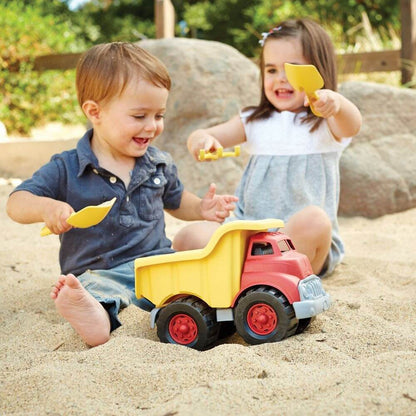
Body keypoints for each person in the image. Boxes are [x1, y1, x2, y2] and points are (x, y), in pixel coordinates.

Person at [6, 42, 237, 347]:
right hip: (101, 271)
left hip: (156, 263)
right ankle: (93, 317)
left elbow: (176, 200)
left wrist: (201, 208)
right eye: (140, 116)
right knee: (97, 294)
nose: (152, 126)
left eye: (159, 115)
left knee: (193, 274)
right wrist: (46, 208)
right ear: (95, 112)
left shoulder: (158, 162)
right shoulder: (67, 167)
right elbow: (16, 202)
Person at [173, 18, 362, 278]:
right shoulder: (254, 121)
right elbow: (202, 134)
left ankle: (265, 272)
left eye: (292, 69)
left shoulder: (326, 125)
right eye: (271, 70)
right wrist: (202, 141)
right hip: (248, 233)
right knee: (187, 238)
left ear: (318, 71)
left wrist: (336, 103)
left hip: (297, 242)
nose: (280, 79)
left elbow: (353, 124)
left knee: (315, 221)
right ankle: (257, 272)